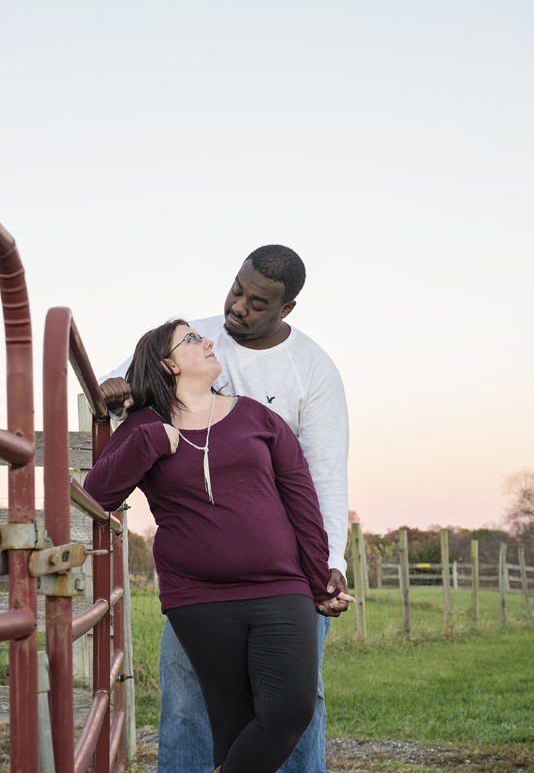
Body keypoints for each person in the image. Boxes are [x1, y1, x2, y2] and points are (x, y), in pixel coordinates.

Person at [100, 245, 350, 773]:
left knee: (297, 704)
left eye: (258, 303)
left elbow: (320, 479)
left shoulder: (312, 372)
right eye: (237, 290)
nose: (237, 308)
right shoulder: (199, 335)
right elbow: (130, 383)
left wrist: (327, 568)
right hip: (198, 582)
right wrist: (113, 389)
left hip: (282, 571)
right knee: (192, 698)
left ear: (287, 309)